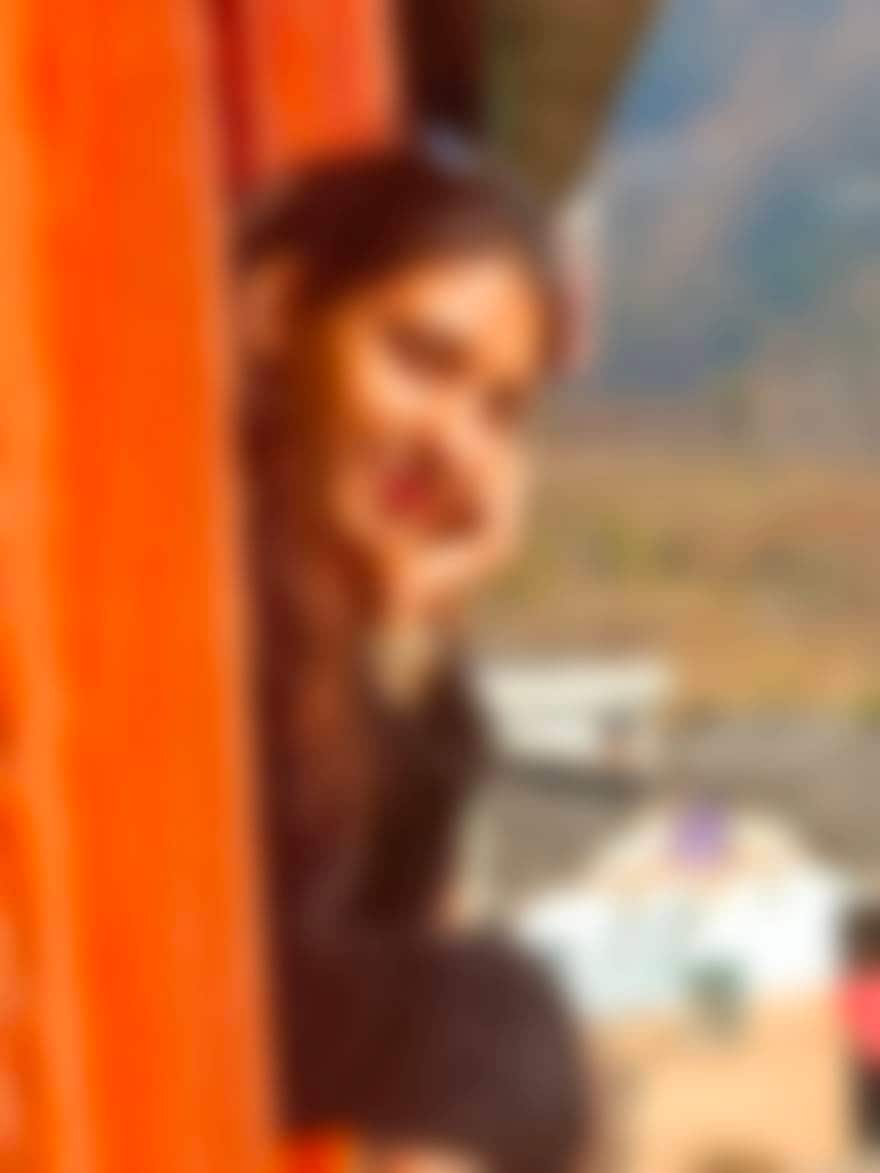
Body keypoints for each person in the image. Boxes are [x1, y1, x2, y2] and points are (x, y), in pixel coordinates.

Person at [236, 142, 583, 1168]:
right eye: (421, 359)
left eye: (497, 411)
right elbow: (268, 953)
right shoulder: (188, 553)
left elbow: (381, 934)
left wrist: (411, 640)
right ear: (276, 312)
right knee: (496, 1028)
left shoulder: (335, 594)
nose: (454, 444)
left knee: (496, 1020)